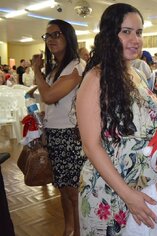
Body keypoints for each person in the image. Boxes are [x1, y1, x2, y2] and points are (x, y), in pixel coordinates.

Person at [76, 3, 157, 235]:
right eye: (126, 31)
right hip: (110, 191)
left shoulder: (134, 72)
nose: (135, 39)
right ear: (109, 35)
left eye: (139, 32)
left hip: (141, 188)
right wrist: (128, 195)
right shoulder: (96, 78)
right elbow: (91, 145)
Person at [31, 19, 86, 236]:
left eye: (57, 34)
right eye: (48, 36)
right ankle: (68, 229)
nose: (51, 39)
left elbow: (49, 95)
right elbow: (53, 103)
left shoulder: (76, 66)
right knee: (62, 190)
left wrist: (36, 70)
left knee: (73, 193)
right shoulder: (56, 70)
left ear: (68, 37)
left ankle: (80, 231)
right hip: (55, 134)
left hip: (69, 136)